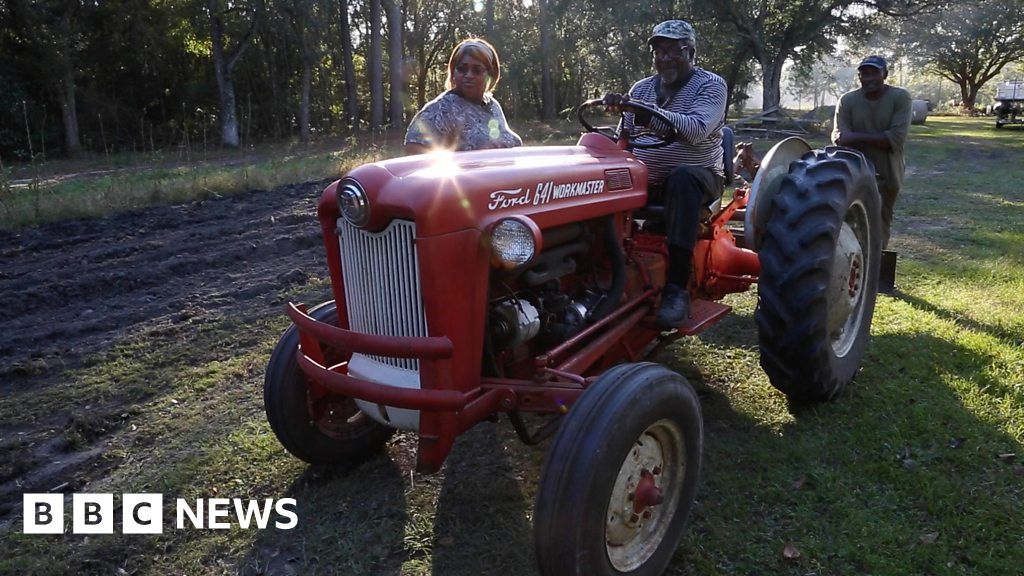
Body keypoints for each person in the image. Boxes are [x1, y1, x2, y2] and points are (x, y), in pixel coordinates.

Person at [602, 20, 728, 328]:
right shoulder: (641, 89)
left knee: (681, 178)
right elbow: (625, 139)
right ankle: (598, 271)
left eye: (674, 50)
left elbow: (696, 130)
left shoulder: (711, 85)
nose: (665, 57)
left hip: (699, 177)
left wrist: (646, 113)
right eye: (659, 51)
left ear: (691, 52)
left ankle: (675, 289)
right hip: (647, 180)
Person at [832, 55, 912, 249]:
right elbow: (839, 138)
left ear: (885, 74)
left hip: (886, 174)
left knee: (878, 226)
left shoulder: (899, 97)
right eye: (864, 74)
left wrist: (855, 137)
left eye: (874, 73)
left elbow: (895, 139)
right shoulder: (848, 100)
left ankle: (875, 271)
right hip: (852, 175)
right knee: (847, 224)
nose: (869, 78)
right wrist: (860, 138)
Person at [405, 38, 522, 154]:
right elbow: (414, 152)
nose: (469, 75)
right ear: (453, 72)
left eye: (477, 70)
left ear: (491, 74)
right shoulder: (440, 110)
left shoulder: (493, 106)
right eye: (462, 69)